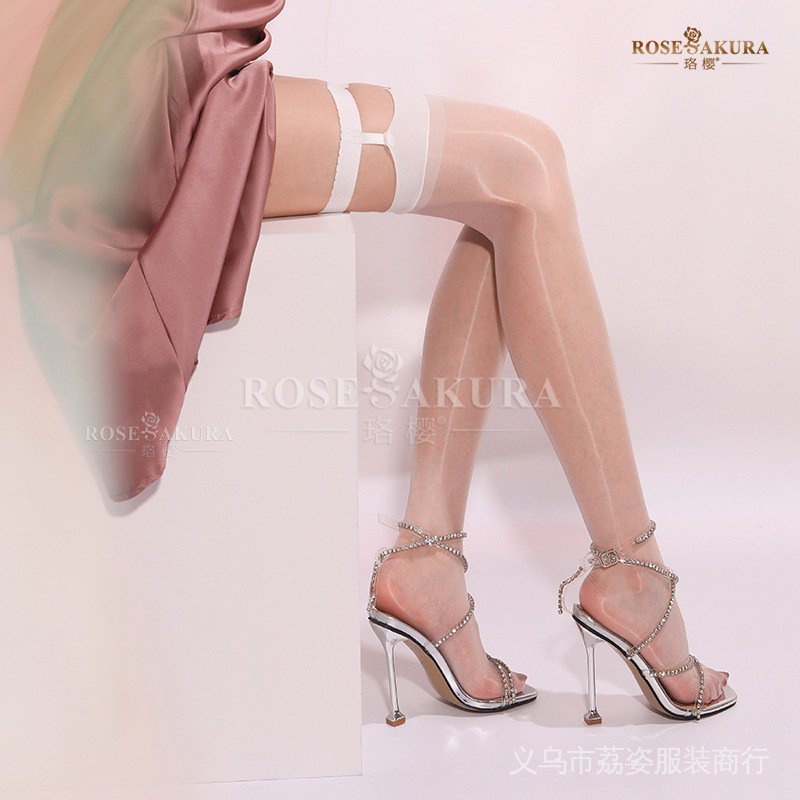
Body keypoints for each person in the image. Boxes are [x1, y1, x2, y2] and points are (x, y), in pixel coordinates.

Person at [0, 1, 734, 725]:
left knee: (511, 184)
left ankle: (431, 561)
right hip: (150, 104)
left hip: (142, 83)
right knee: (525, 164)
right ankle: (631, 575)